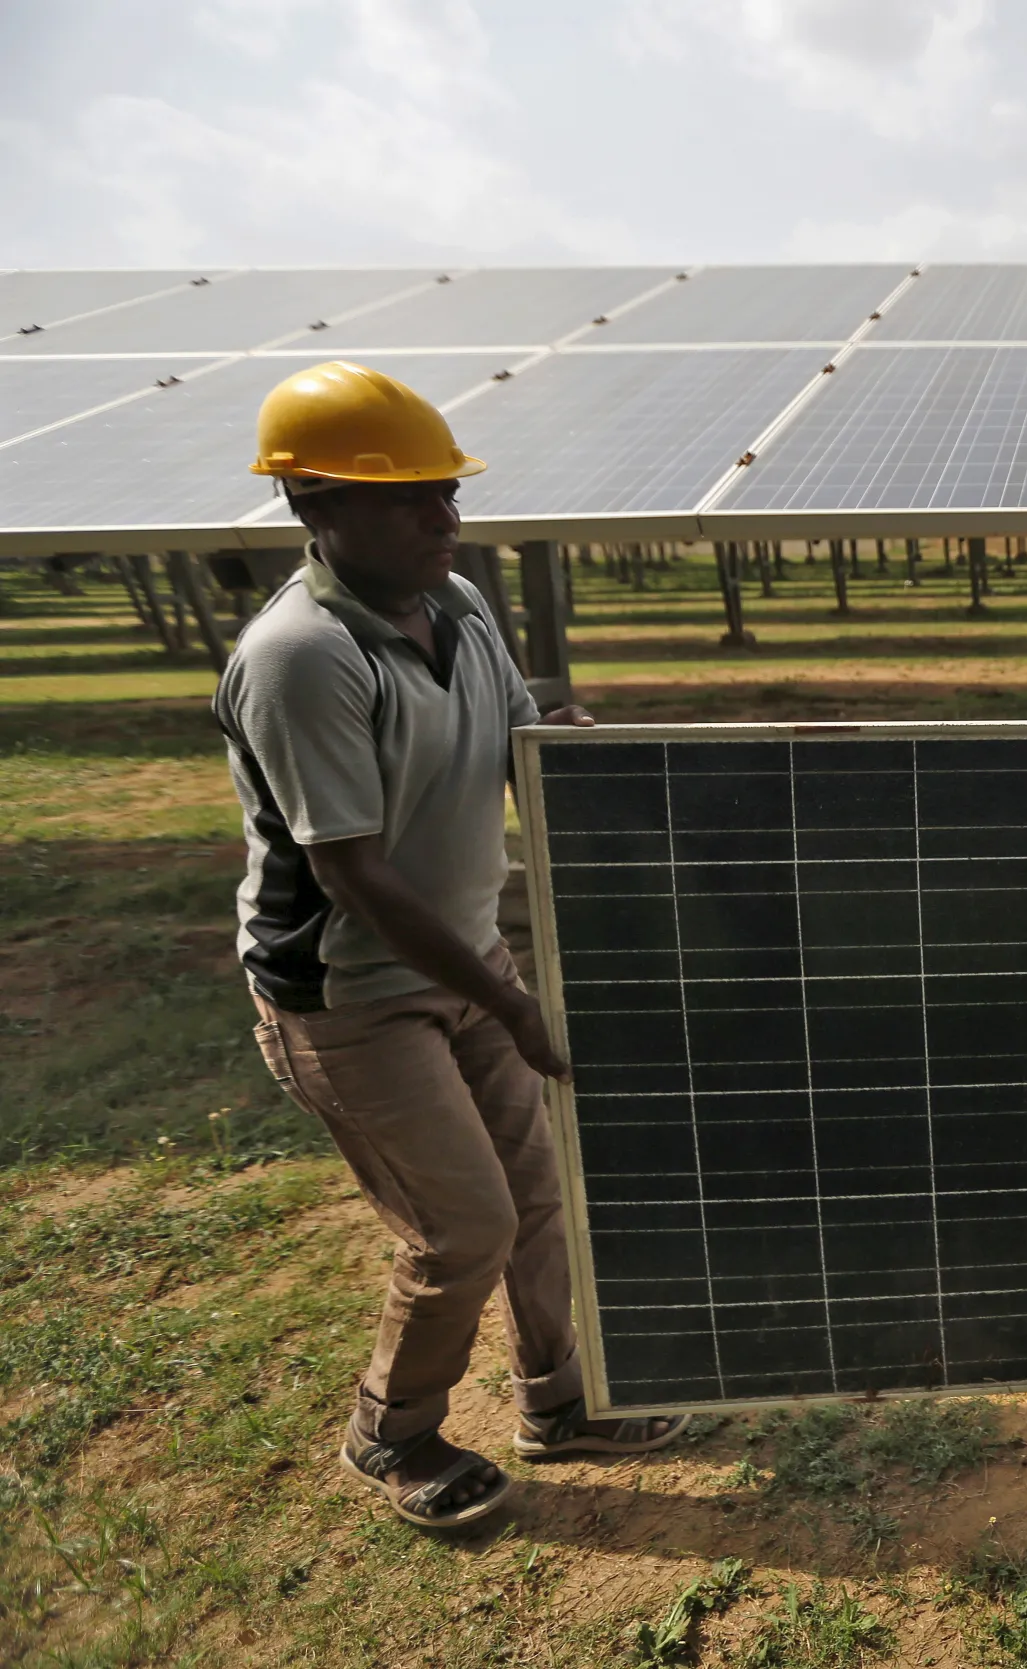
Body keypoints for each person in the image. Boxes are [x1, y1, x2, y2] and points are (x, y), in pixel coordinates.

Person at [218, 361, 685, 1528]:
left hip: (471, 959)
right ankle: (395, 1430)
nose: (445, 520)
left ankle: (561, 1401)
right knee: (461, 1223)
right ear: (315, 504)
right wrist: (514, 1001)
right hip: (353, 997)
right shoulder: (302, 657)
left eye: (447, 492)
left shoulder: (462, 604)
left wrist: (554, 744)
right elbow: (353, 871)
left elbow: (510, 729)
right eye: (407, 498)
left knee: (537, 1193)